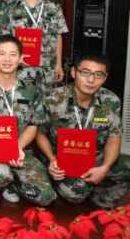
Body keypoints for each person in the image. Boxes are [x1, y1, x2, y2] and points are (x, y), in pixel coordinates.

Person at [0, 35, 56, 209]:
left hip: (20, 149)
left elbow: (33, 125)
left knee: (45, 197)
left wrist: (16, 149)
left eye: (13, 54)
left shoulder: (31, 91)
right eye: (2, 54)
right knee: (0, 176)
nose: (7, 59)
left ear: (21, 58)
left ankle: (11, 183)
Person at [36, 51, 130, 208]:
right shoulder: (53, 98)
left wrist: (105, 168)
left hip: (96, 157)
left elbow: (114, 138)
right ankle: (73, 188)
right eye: (85, 73)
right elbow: (40, 134)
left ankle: (102, 201)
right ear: (74, 72)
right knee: (75, 193)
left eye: (98, 75)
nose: (91, 80)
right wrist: (52, 159)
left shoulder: (111, 100)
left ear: (105, 78)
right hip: (62, 160)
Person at [8, 0, 68, 93]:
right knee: (20, 101)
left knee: (46, 102)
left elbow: (58, 36)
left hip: (47, 69)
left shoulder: (54, 6)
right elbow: (4, 39)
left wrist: (59, 64)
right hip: (19, 67)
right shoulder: (10, 7)